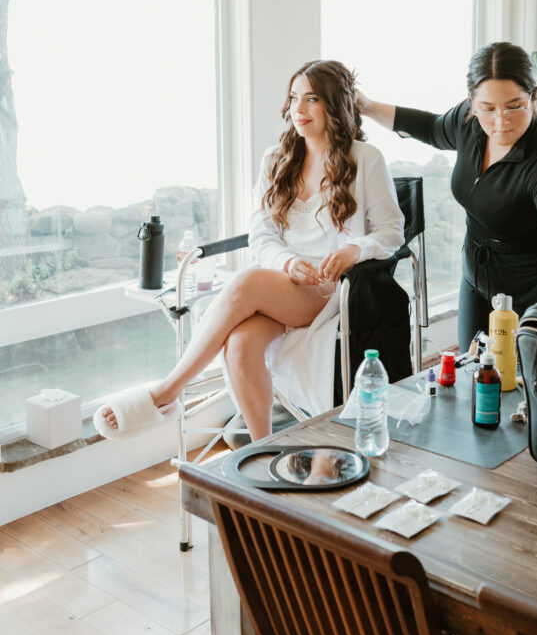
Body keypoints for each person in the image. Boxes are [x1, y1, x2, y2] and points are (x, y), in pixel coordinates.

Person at [94, 60, 404, 442]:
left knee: (247, 282)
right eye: (293, 98)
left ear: (334, 105)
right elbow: (261, 236)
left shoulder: (365, 159)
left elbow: (392, 231)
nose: (299, 110)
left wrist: (354, 251)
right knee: (240, 346)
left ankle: (166, 391)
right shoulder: (277, 159)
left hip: (330, 290)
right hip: (283, 283)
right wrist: (288, 263)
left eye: (311, 99)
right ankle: (262, 450)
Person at [357, 41, 537, 349]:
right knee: (471, 373)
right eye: (487, 108)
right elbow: (431, 128)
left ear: (534, 97)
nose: (500, 121)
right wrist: (367, 106)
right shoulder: (469, 122)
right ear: (472, 103)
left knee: (522, 385)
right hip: (477, 273)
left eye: (514, 106)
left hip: (531, 288)